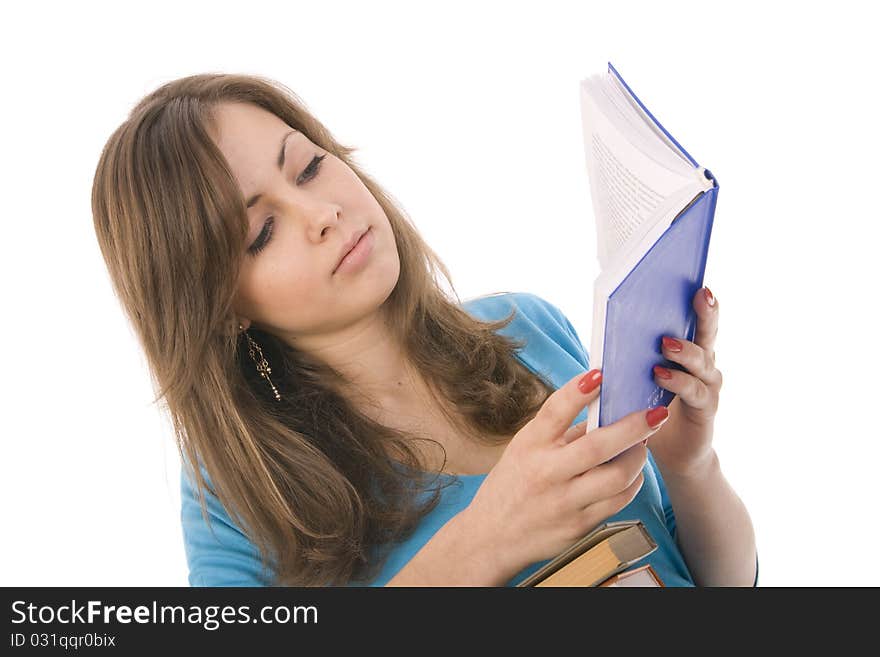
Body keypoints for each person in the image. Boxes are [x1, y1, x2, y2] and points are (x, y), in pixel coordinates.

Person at [91, 73, 757, 587]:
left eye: (309, 166)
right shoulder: (237, 491)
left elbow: (714, 578)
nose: (321, 211)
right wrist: (487, 537)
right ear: (218, 305)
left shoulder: (529, 326)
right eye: (261, 231)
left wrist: (690, 465)